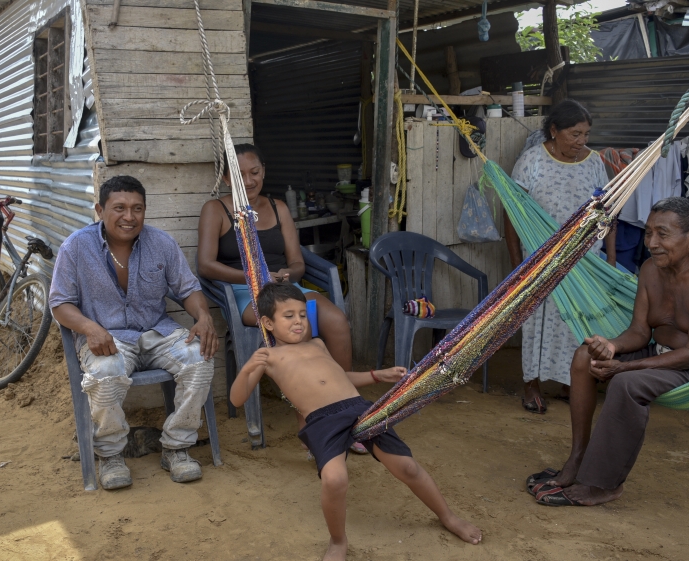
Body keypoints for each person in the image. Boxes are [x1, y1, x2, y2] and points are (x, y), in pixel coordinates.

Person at [230, 282, 482, 560]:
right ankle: (338, 541)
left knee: (408, 467)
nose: (298, 322)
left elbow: (341, 377)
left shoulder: (318, 343)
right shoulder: (269, 358)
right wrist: (250, 367)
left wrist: (377, 375)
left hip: (358, 409)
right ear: (267, 322)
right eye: (288, 316)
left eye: (302, 314)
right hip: (322, 421)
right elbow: (236, 399)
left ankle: (448, 516)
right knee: (335, 479)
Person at [527, 197, 689, 506]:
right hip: (663, 352)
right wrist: (612, 347)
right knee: (584, 356)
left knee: (627, 385)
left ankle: (604, 485)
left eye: (663, 233)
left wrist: (626, 367)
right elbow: (640, 331)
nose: (653, 243)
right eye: (648, 233)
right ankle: (577, 458)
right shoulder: (651, 269)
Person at [49, 175, 219, 490]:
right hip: (107, 339)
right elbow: (59, 303)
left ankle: (176, 448)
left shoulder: (161, 243)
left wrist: (204, 315)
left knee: (199, 356)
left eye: (137, 208)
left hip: (156, 333)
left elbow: (188, 289)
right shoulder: (76, 246)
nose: (129, 217)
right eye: (120, 208)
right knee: (107, 371)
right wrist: (89, 327)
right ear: (100, 210)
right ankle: (111, 456)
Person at [197, 144, 363, 453]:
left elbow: (298, 263)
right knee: (296, 328)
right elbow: (205, 265)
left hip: (284, 288)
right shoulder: (217, 210)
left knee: (336, 320)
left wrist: (287, 274)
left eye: (255, 172)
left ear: (264, 172)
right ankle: (313, 417)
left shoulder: (278, 208)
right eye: (239, 174)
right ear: (225, 179)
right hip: (245, 292)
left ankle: (345, 410)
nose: (248, 181)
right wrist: (255, 277)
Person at [505, 99, 616, 414]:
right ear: (554, 130)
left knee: (579, 324)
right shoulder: (532, 161)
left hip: (585, 261)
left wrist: (608, 260)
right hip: (541, 262)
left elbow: (606, 213)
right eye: (574, 134)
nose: (581, 141)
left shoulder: (595, 163)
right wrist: (518, 264)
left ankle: (573, 383)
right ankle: (532, 385)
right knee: (537, 322)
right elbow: (512, 214)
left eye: (586, 134)